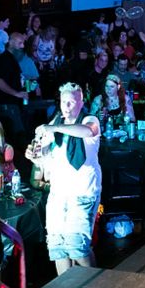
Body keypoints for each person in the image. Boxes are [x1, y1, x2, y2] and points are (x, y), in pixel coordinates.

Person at [25, 82, 101, 275]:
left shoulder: (89, 119)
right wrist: (36, 156)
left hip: (82, 193)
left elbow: (87, 131)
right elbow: (47, 163)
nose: (66, 107)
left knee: (77, 247)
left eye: (72, 102)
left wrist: (55, 128)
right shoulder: (54, 125)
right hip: (58, 193)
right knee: (58, 248)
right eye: (64, 102)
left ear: (81, 101)